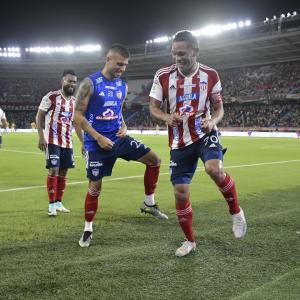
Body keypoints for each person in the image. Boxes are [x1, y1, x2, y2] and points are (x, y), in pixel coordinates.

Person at [149, 30, 247, 257]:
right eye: (174, 54)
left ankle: (236, 212)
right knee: (181, 192)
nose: (177, 58)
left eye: (182, 53)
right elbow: (153, 108)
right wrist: (166, 118)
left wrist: (212, 120)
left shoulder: (210, 74)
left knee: (214, 169)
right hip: (179, 141)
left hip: (204, 134)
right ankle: (190, 241)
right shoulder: (163, 75)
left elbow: (219, 108)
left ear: (195, 51)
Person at [74, 44, 168, 248]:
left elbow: (117, 112)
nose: (122, 69)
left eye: (125, 65)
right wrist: (97, 137)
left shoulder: (122, 86)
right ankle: (88, 228)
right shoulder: (89, 84)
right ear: (107, 59)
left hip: (119, 138)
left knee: (155, 160)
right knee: (95, 186)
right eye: (119, 64)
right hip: (97, 143)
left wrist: (124, 125)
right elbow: (77, 115)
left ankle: (149, 203)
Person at [36, 69, 82, 217]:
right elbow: (39, 116)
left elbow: (77, 123)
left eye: (74, 82)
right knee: (54, 170)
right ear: (62, 81)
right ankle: (51, 206)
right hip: (52, 140)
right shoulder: (52, 97)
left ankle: (58, 202)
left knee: (64, 172)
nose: (72, 84)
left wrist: (82, 142)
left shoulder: (74, 102)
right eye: (69, 81)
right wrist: (41, 137)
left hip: (67, 142)